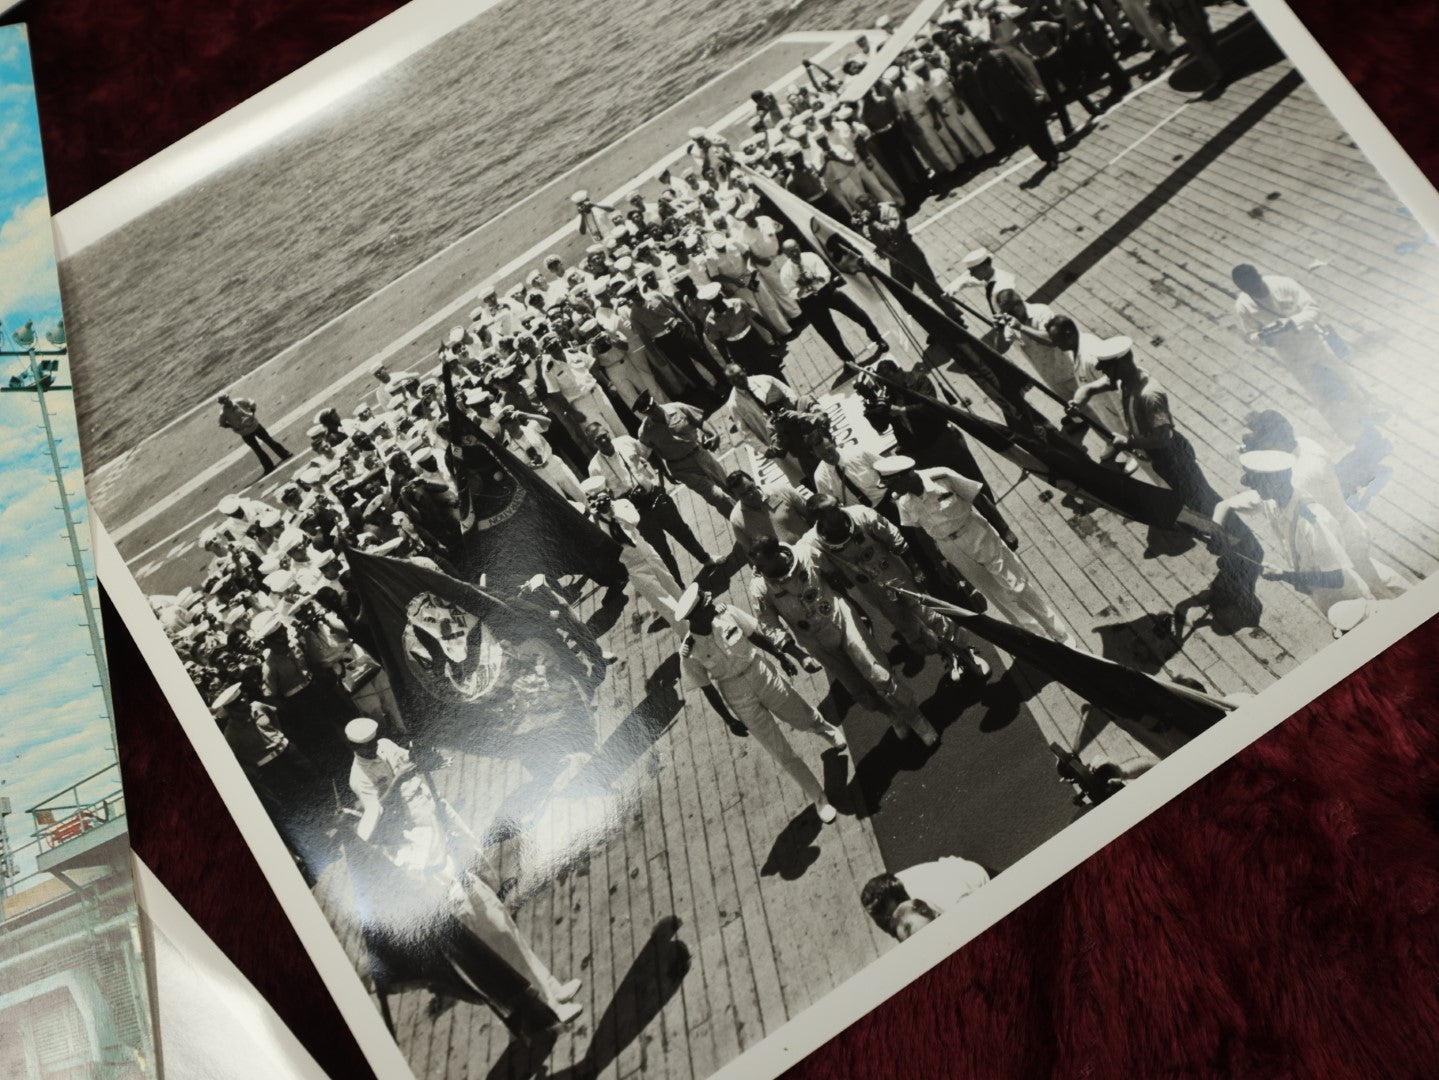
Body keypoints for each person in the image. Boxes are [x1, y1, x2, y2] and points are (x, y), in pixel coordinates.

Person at [344, 717, 584, 1025]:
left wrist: (421, 764)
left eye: (374, 741)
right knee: (498, 945)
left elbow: (418, 774)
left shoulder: (396, 763)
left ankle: (553, 987)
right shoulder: (403, 845)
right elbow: (381, 817)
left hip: (461, 872)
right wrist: (399, 783)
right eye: (365, 746)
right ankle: (548, 1005)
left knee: (506, 928)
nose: (373, 748)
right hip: (452, 894)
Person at [674, 585, 845, 822]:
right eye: (707, 605)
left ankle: (825, 730)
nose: (713, 604)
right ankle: (819, 798)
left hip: (760, 672)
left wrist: (781, 656)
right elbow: (707, 688)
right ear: (696, 617)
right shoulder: (689, 653)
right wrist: (728, 719)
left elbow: (755, 634)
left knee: (800, 713)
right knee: (780, 750)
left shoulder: (727, 614)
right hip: (736, 694)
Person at [748, 536, 938, 745]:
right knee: (857, 689)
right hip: (815, 640)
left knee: (877, 672)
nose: (757, 569)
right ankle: (892, 715)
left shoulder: (805, 554)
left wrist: (857, 606)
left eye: (761, 564)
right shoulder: (760, 587)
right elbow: (769, 625)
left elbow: (835, 573)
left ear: (776, 555)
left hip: (841, 619)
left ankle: (916, 718)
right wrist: (799, 656)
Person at [876, 455, 1081, 647]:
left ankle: (1059, 633)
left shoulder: (941, 476)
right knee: (995, 594)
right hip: (949, 547)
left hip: (976, 532)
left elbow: (978, 498)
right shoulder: (902, 500)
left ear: (905, 476)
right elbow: (920, 532)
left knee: (1015, 586)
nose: (890, 490)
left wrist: (1005, 529)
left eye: (892, 483)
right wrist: (939, 563)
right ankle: (1036, 638)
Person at [807, 500, 991, 685]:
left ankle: (967, 651)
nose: (838, 511)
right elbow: (806, 561)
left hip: (895, 573)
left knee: (930, 614)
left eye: (836, 506)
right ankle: (949, 653)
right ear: (819, 519)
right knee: (910, 629)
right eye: (831, 511)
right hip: (873, 589)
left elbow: (894, 536)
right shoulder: (815, 543)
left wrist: (915, 567)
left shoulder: (860, 515)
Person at [1216, 451, 1374, 623]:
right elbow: (1224, 505)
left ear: (1275, 482)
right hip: (1323, 599)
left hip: (1354, 604)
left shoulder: (1314, 522)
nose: (1251, 486)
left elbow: (1336, 578)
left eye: (1256, 482)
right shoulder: (1271, 499)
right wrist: (1215, 530)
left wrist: (1283, 575)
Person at [1074, 336, 1220, 515]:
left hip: (1173, 456)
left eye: (1105, 365)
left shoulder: (1150, 395)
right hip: (1161, 457)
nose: (1098, 368)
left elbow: (1163, 437)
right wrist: (1076, 402)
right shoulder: (1125, 379)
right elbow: (1089, 388)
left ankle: (1228, 534)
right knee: (1191, 496)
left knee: (1200, 498)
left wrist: (1128, 443)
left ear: (1122, 364)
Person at [1231, 263, 1367, 443]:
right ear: (1243, 289)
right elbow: (1251, 336)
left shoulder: (1283, 284)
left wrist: (1291, 322)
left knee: (1345, 378)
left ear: (1259, 277)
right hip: (1291, 354)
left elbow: (1314, 310)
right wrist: (1265, 336)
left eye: (1256, 284)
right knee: (1319, 394)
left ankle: (1368, 414)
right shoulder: (1243, 306)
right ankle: (1349, 434)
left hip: (1314, 341)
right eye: (1249, 290)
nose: (1255, 291)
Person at [587, 423, 715, 583]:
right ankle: (680, 586)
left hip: (654, 495)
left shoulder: (626, 441)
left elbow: (650, 454)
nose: (604, 440)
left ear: (608, 431)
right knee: (661, 550)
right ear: (593, 444)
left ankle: (706, 559)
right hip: (636, 510)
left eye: (604, 435)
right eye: (598, 440)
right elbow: (604, 496)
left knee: (682, 530)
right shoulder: (594, 467)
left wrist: (663, 479)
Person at [582, 476, 685, 629]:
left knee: (672, 586)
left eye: (605, 495)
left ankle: (694, 617)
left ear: (609, 492)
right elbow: (600, 545)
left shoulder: (623, 504)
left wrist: (612, 513)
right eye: (598, 499)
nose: (603, 500)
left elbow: (634, 521)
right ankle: (687, 633)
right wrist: (598, 518)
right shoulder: (594, 523)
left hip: (647, 553)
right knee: (663, 602)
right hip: (632, 566)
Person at [778, 239, 887, 365]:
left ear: (799, 245)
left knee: (858, 314)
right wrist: (801, 288)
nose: (794, 253)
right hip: (810, 302)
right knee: (829, 334)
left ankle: (878, 339)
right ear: (785, 254)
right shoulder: (785, 272)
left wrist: (813, 279)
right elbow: (792, 293)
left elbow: (825, 274)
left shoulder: (811, 257)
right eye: (790, 252)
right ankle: (848, 360)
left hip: (827, 292)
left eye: (795, 249)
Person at [635, 392, 735, 514]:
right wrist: (664, 473)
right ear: (644, 414)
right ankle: (738, 522)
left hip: (699, 453)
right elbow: (651, 455)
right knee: (716, 496)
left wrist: (714, 434)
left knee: (728, 485)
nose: (654, 411)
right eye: (649, 411)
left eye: (654, 406)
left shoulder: (677, 407)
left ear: (655, 401)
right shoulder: (645, 432)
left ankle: (752, 512)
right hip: (681, 468)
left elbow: (700, 421)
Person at [860, 857, 991, 940]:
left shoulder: (943, 894)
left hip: (976, 886)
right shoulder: (894, 888)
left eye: (895, 913)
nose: (896, 919)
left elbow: (976, 918)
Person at [726, 468, 813, 554]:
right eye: (743, 495)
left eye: (750, 488)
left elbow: (810, 514)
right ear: (735, 496)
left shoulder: (781, 489)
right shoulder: (736, 520)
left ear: (753, 481)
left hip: (810, 548)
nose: (750, 495)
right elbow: (751, 553)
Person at [218, 393, 292, 475]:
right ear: (222, 403)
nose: (227, 401)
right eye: (224, 401)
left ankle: (285, 454)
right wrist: (234, 426)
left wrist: (252, 414)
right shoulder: (223, 413)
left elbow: (252, 404)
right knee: (257, 449)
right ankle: (269, 467)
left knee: (268, 440)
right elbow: (222, 424)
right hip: (244, 433)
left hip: (254, 425)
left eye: (227, 399)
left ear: (228, 397)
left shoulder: (239, 401)